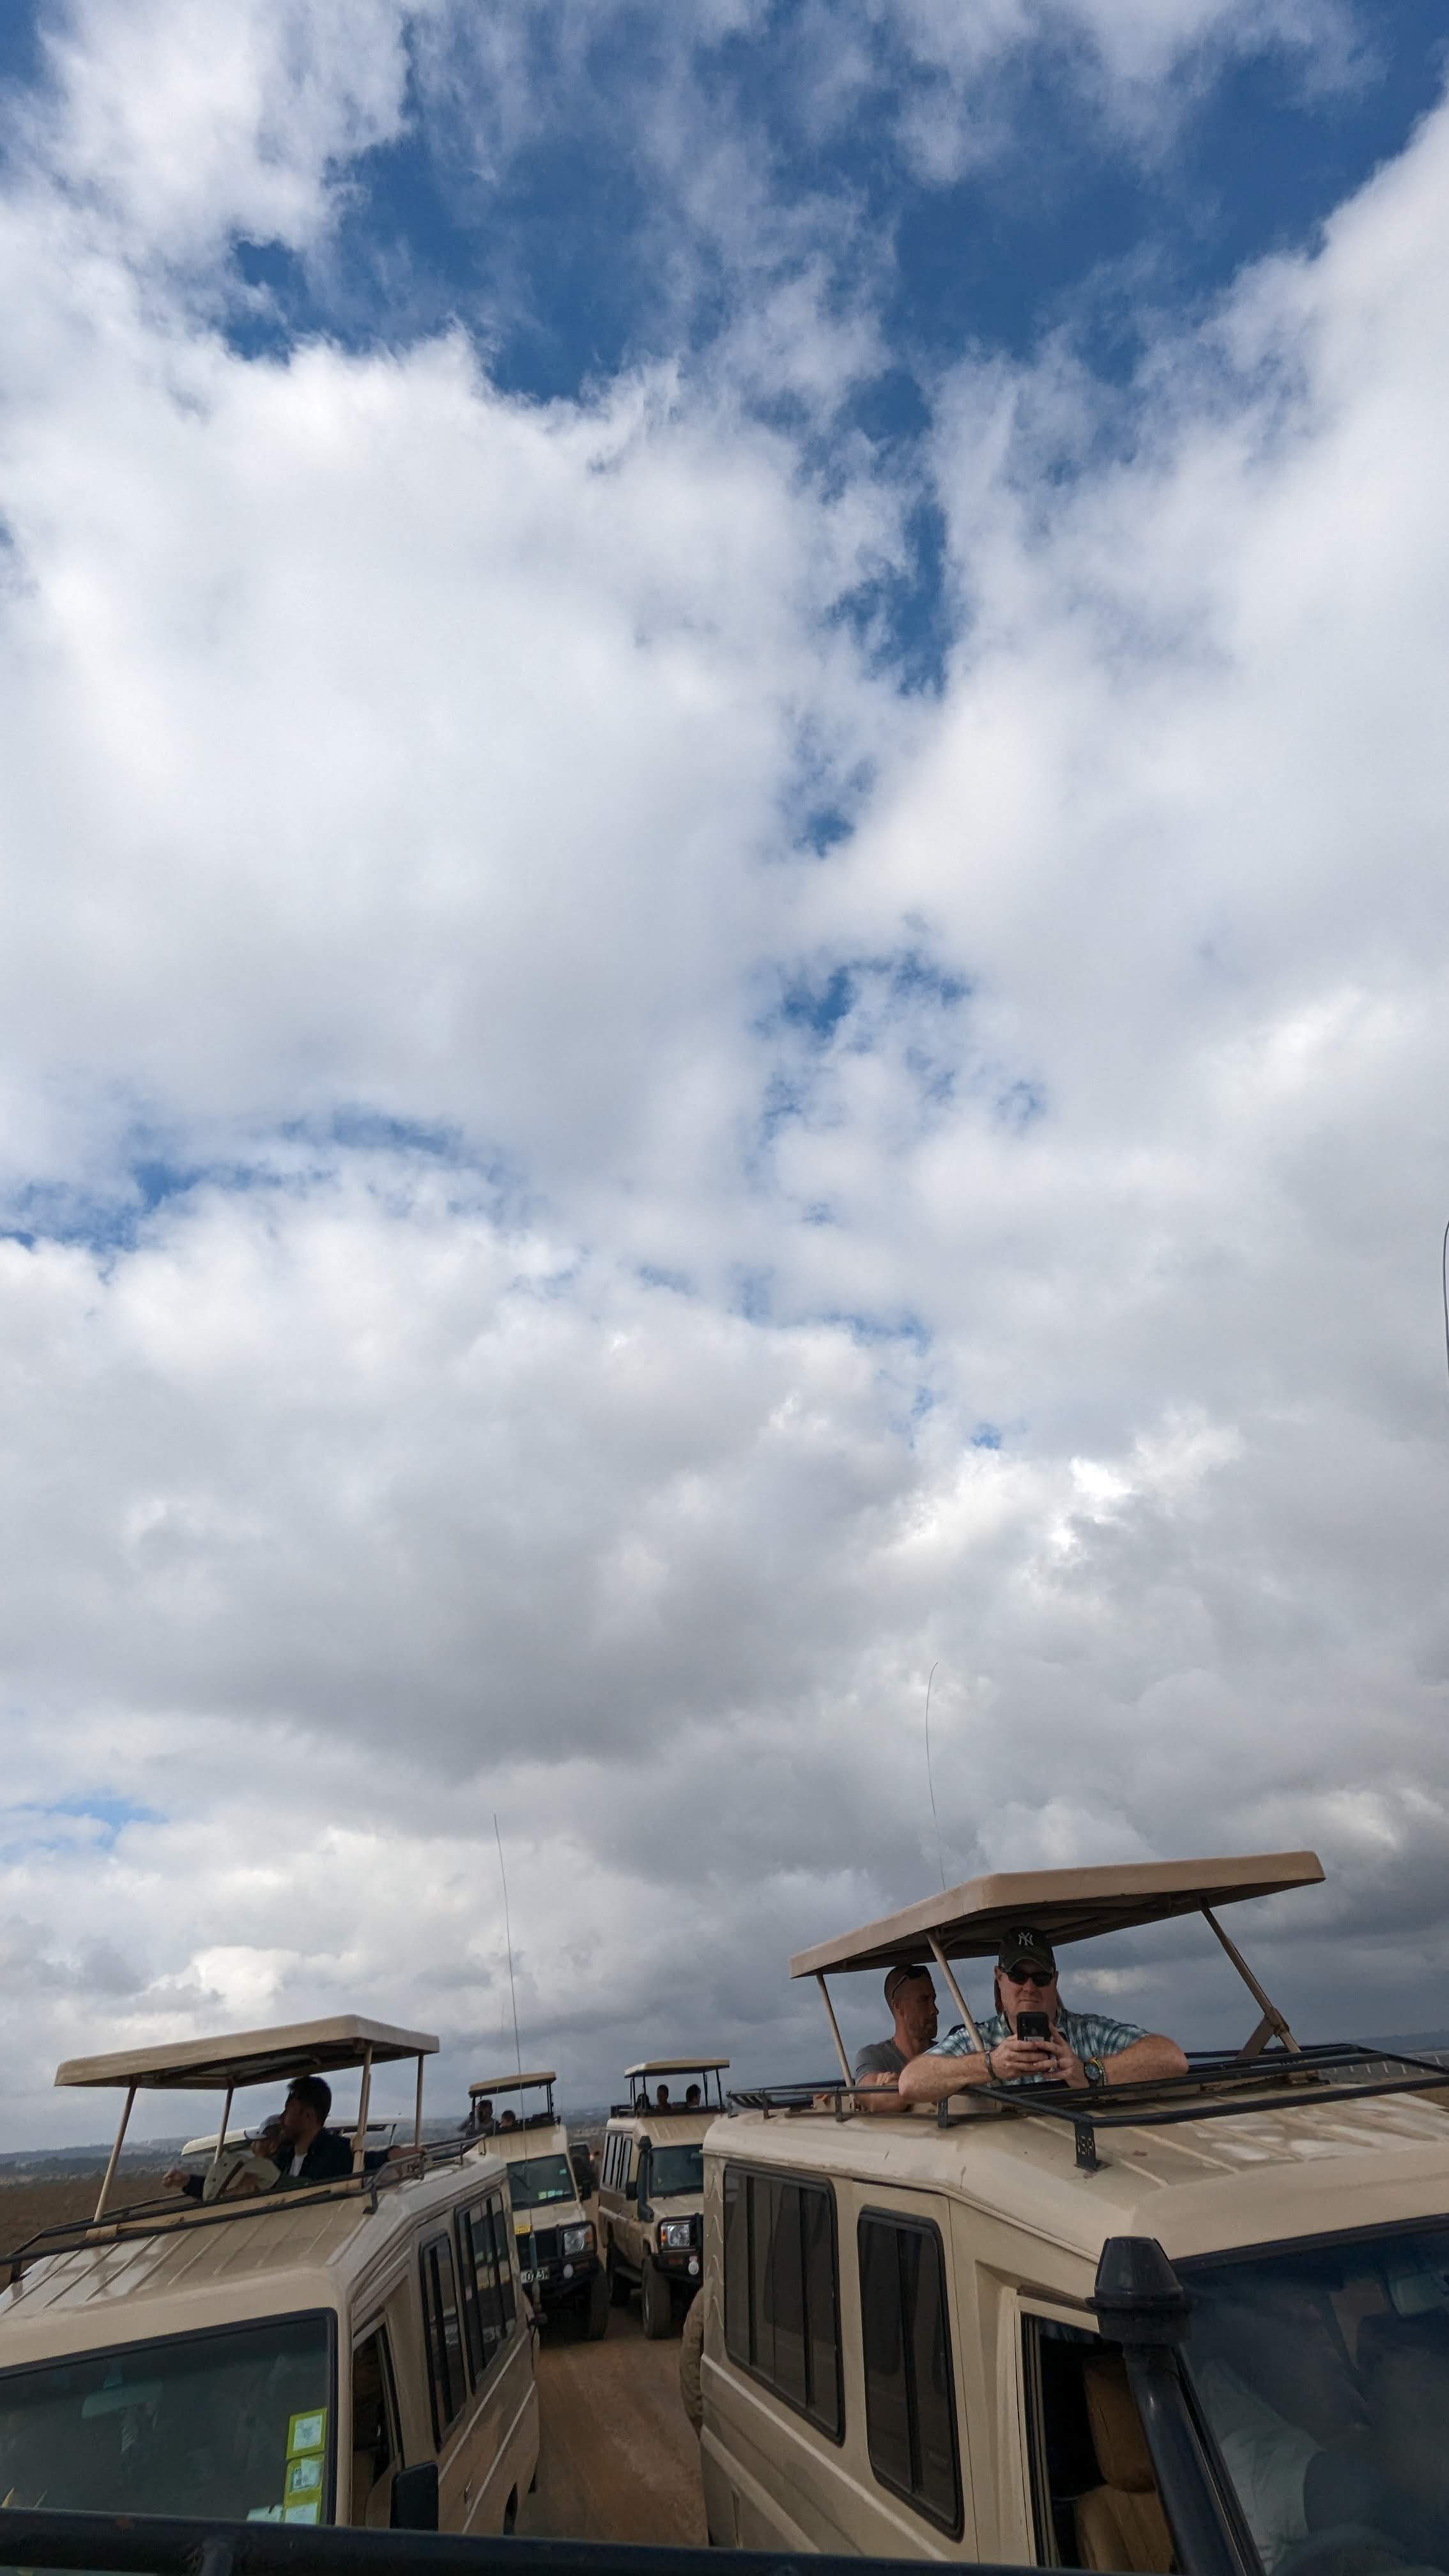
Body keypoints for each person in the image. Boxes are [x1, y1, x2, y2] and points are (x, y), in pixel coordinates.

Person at [898, 1925, 1188, 2103]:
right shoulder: (977, 2041)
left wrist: (1088, 2072)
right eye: (1017, 1976)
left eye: (1040, 1978)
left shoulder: (1087, 2033)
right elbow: (911, 2082)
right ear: (999, 1979)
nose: (1028, 1987)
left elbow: (1171, 2058)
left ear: (1055, 1980)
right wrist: (990, 2065)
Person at [854, 1964, 939, 2087]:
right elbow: (869, 2093)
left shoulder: (948, 2054)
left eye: (934, 2000)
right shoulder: (875, 2057)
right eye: (923, 2001)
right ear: (898, 2006)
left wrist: (896, 2083)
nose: (934, 2010)